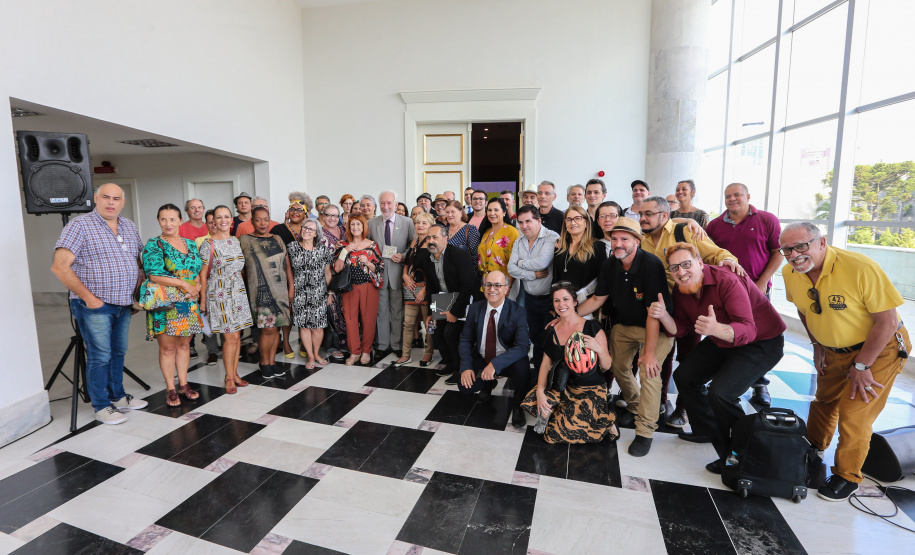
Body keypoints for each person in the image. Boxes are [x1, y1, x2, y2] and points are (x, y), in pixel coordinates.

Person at [779, 222, 911, 501]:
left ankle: (847, 475)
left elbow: (887, 321)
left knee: (854, 412)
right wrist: (817, 345)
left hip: (879, 348)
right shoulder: (790, 273)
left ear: (821, 242)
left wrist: (862, 365)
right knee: (824, 400)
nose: (794, 254)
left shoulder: (860, 268)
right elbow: (803, 310)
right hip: (833, 348)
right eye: (787, 249)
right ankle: (814, 448)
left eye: (801, 246)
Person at [651, 242, 786, 475]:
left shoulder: (727, 281)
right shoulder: (681, 289)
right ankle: (709, 431)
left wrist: (715, 329)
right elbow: (681, 328)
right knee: (684, 376)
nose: (681, 272)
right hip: (721, 338)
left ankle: (740, 453)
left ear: (701, 263)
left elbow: (748, 329)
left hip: (762, 342)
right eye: (674, 268)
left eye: (686, 265)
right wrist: (663, 316)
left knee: (722, 393)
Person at [638, 195, 743, 429]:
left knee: (689, 356)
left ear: (664, 216)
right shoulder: (642, 238)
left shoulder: (683, 231)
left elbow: (713, 252)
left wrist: (727, 259)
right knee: (664, 355)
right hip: (662, 304)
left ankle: (685, 409)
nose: (643, 218)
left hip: (689, 300)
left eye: (648, 214)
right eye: (641, 214)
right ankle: (663, 401)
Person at [575, 218, 674, 457]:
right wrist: (569, 317)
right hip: (625, 326)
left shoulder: (651, 265)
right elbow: (598, 299)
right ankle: (635, 404)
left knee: (651, 374)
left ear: (637, 242)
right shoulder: (610, 264)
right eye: (614, 238)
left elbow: (654, 313)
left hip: (657, 327)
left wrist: (648, 353)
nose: (618, 243)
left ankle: (645, 431)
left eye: (624, 239)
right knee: (617, 366)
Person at [51, 183, 147, 424]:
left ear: (123, 202)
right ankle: (102, 406)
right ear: (96, 198)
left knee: (117, 352)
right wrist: (89, 298)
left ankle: (118, 396)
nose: (111, 202)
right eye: (106, 197)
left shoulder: (128, 225)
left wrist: (136, 296)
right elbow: (59, 266)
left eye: (116, 198)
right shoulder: (80, 226)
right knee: (100, 355)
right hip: (95, 305)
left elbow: (140, 260)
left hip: (123, 305)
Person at [707, 182, 783, 406]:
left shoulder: (767, 220)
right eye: (728, 196)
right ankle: (728, 379)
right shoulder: (714, 226)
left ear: (748, 196)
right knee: (730, 332)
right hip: (725, 293)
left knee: (757, 336)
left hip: (756, 291)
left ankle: (758, 383)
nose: (732, 199)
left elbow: (777, 253)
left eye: (737, 195)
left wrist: (761, 283)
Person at [521, 282, 617, 444]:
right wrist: (540, 391)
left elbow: (607, 365)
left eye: (565, 299)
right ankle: (561, 411)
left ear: (574, 302)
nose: (561, 304)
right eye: (556, 301)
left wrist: (598, 348)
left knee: (555, 436)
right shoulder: (551, 331)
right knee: (533, 402)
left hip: (590, 388)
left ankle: (607, 420)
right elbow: (545, 364)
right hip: (563, 386)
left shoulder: (592, 327)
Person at [143, 204, 205, 406]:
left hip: (188, 302)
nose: (168, 223)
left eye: (172, 219)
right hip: (166, 303)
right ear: (158, 221)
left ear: (180, 220)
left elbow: (196, 269)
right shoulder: (154, 244)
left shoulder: (190, 243)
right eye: (163, 219)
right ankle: (170, 387)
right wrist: (183, 284)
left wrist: (196, 284)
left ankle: (184, 384)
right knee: (168, 348)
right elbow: (154, 275)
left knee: (185, 344)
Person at [458, 271, 529, 428]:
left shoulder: (518, 311)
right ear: (483, 287)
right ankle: (487, 385)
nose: (492, 289)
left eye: (498, 285)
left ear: (506, 289)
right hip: (482, 356)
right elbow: (465, 339)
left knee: (523, 369)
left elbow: (523, 346)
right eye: (488, 285)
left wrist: (495, 364)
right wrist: (466, 367)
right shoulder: (475, 309)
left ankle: (518, 405)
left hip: (506, 359)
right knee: (465, 387)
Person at [199, 205, 253, 393]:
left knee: (237, 337)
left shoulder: (235, 241)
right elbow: (203, 275)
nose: (223, 220)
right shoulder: (208, 244)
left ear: (232, 220)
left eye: (227, 217)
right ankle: (229, 377)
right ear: (214, 221)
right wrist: (203, 301)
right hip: (219, 293)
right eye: (219, 217)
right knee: (229, 337)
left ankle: (235, 373)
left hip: (237, 291)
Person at [417, 224, 477, 385]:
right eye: (428, 238)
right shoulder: (427, 258)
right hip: (442, 301)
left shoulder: (458, 255)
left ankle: (461, 369)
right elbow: (431, 287)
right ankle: (450, 363)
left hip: (462, 302)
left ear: (445, 239)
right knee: (437, 332)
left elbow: (468, 286)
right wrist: (431, 312)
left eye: (435, 237)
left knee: (450, 334)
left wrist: (455, 312)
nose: (431, 241)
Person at [239, 206, 292, 379]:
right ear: (252, 221)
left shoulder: (277, 238)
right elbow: (240, 268)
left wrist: (291, 287)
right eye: (258, 219)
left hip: (280, 289)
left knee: (276, 328)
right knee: (267, 329)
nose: (263, 223)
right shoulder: (245, 239)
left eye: (266, 219)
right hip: (259, 290)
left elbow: (287, 265)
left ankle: (272, 361)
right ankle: (264, 362)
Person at [508, 205, 559, 374]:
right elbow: (510, 268)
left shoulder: (551, 237)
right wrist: (533, 275)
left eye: (528, 221)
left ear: (538, 220)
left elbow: (542, 263)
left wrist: (520, 263)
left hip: (548, 300)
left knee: (549, 339)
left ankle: (551, 377)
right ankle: (538, 375)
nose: (524, 226)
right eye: (521, 222)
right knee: (535, 338)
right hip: (530, 297)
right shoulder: (519, 240)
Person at [368, 191, 416, 359]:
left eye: (389, 203)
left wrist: (403, 255)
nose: (385, 206)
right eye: (382, 203)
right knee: (381, 311)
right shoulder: (372, 223)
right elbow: (368, 246)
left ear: (396, 205)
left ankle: (396, 344)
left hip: (397, 273)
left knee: (397, 311)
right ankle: (382, 344)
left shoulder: (407, 222)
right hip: (379, 275)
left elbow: (414, 245)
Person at [335, 215, 384, 366]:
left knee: (368, 320)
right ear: (348, 227)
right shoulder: (343, 245)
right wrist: (346, 250)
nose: (356, 227)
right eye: (353, 225)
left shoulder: (372, 245)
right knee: (350, 321)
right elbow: (337, 268)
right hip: (349, 288)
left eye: (359, 224)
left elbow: (380, 268)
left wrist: (368, 263)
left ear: (364, 227)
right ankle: (354, 351)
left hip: (368, 287)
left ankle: (366, 351)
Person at [286, 218, 332, 369]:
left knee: (318, 327)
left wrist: (330, 293)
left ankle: (317, 353)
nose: (306, 231)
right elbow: (288, 271)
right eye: (305, 228)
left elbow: (327, 274)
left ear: (316, 233)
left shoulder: (323, 250)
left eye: (310, 229)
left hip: (319, 292)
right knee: (304, 326)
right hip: (300, 292)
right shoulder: (292, 247)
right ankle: (310, 356)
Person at [270, 193, 311, 358]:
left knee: (304, 311)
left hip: (305, 276)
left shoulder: (310, 228)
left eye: (299, 210)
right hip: (283, 276)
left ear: (305, 213)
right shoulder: (278, 229)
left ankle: (303, 341)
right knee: (286, 311)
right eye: (292, 209)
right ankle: (286, 341)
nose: (295, 212)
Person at [396, 212, 436, 366]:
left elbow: (434, 271)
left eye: (424, 223)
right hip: (411, 288)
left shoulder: (432, 244)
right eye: (418, 222)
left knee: (429, 324)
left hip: (426, 289)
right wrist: (405, 275)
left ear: (430, 225)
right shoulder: (413, 242)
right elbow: (408, 262)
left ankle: (428, 353)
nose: (420, 225)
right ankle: (405, 354)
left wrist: (425, 290)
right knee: (408, 323)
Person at [552, 205, 606, 297]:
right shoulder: (560, 246)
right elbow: (556, 278)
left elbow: (602, 280)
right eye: (569, 219)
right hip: (562, 302)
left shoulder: (598, 247)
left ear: (586, 222)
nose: (573, 222)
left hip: (586, 301)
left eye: (577, 218)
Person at [178, 198, 209, 360]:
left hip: (208, 276)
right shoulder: (181, 228)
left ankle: (209, 340)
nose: (197, 210)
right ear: (187, 211)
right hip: (188, 277)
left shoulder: (209, 226)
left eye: (199, 207)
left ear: (203, 209)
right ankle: (189, 345)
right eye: (193, 208)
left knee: (206, 309)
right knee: (189, 310)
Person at [319, 203, 348, 358]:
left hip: (345, 280)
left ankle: (345, 343)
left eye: (335, 215)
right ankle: (332, 346)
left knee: (344, 312)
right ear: (323, 216)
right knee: (331, 312)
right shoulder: (319, 234)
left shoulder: (344, 231)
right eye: (328, 215)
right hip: (327, 279)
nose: (332, 218)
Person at [194, 209, 222, 366]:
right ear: (207, 223)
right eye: (210, 222)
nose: (214, 224)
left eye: (216, 221)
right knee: (209, 319)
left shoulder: (230, 239)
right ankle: (212, 351)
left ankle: (226, 347)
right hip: (208, 283)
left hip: (224, 286)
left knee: (224, 319)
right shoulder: (200, 241)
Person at [478, 197, 520, 290]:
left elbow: (515, 262)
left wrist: (508, 286)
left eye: (496, 210)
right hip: (487, 284)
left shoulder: (511, 232)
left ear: (504, 212)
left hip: (504, 284)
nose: (492, 213)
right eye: (489, 210)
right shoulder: (486, 232)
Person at [441, 200, 481, 283]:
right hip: (448, 279)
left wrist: (471, 278)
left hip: (466, 278)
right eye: (447, 212)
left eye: (453, 212)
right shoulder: (444, 231)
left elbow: (476, 256)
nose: (450, 215)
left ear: (461, 212)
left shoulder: (470, 230)